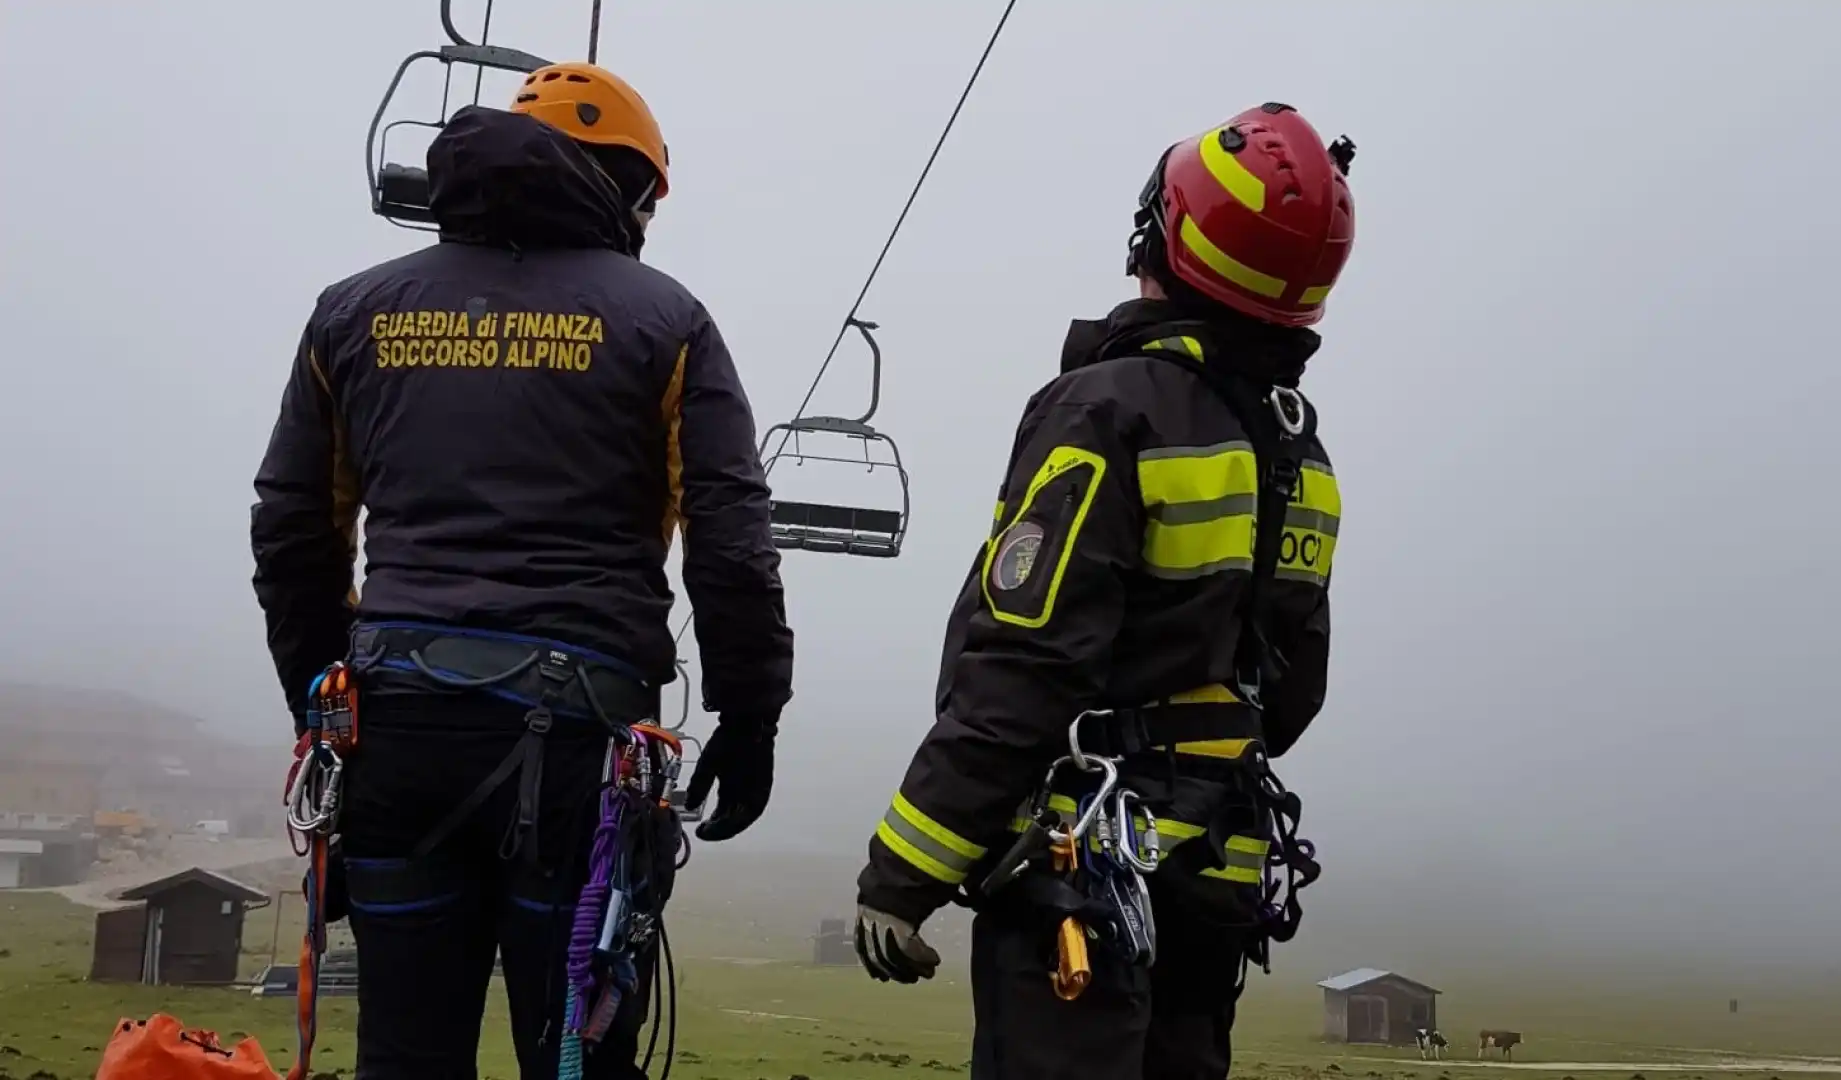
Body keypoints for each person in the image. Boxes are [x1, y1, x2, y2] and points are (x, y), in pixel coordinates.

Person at [250, 61, 793, 1080]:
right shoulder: (665, 323)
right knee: (576, 1057)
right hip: (580, 754)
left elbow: (295, 532)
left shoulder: (352, 313)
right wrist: (752, 712)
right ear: (629, 190)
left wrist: (322, 713)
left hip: (396, 740)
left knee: (405, 1058)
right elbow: (730, 535)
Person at [852, 102, 1356, 1080]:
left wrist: (904, 874)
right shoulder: (1300, 453)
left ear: (1158, 234)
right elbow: (1289, 699)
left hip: (1081, 878)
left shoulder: (1109, 411)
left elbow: (1029, 662)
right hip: (1220, 874)